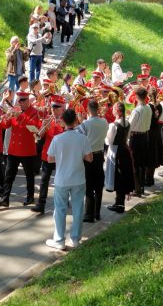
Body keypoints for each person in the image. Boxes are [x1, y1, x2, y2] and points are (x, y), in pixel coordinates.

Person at [44, 109, 93, 250]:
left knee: (60, 210)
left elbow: (50, 158)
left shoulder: (57, 138)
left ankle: (59, 240)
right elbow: (90, 158)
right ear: (76, 121)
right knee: (78, 209)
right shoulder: (82, 138)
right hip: (78, 178)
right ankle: (75, 239)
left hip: (62, 179)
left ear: (63, 122)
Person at [0, 91, 41, 208]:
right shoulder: (15, 110)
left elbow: (34, 128)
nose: (19, 103)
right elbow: (5, 126)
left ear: (27, 101)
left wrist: (20, 117)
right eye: (18, 100)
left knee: (29, 176)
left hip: (27, 149)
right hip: (14, 149)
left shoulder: (34, 112)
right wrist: (5, 117)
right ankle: (5, 199)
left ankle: (30, 197)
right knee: (8, 175)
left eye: (22, 100)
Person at [31, 95, 66, 214]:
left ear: (62, 109)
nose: (53, 110)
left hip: (61, 155)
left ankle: (64, 200)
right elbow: (40, 137)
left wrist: (62, 126)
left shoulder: (66, 120)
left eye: (56, 108)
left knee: (62, 180)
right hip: (48, 154)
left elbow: (67, 137)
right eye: (52, 107)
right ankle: (41, 204)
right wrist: (43, 128)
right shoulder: (48, 119)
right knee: (44, 180)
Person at [76, 100, 109, 222]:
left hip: (88, 157)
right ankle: (97, 212)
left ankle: (89, 214)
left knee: (89, 185)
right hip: (100, 155)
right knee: (99, 185)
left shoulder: (85, 124)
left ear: (89, 110)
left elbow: (79, 137)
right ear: (98, 109)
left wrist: (80, 122)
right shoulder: (104, 122)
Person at [104, 102, 135, 213]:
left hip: (116, 151)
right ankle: (119, 202)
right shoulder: (127, 123)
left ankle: (119, 203)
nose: (112, 111)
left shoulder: (113, 125)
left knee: (117, 176)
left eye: (114, 109)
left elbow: (108, 141)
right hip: (124, 150)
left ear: (117, 111)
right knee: (122, 175)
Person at [127, 87, 152, 196]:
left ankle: (137, 189)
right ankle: (141, 187)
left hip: (136, 138)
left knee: (136, 164)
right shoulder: (148, 108)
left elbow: (129, 126)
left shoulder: (136, 110)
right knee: (142, 163)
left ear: (136, 97)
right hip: (145, 136)